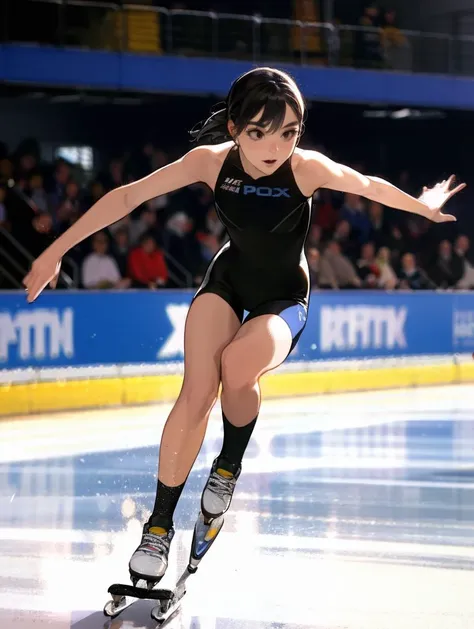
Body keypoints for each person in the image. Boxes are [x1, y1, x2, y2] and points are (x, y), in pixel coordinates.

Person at [22, 67, 466, 584]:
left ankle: (227, 470)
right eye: (258, 131)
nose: (274, 146)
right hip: (227, 283)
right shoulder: (210, 163)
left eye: (288, 132)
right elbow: (127, 197)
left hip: (284, 298)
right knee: (195, 391)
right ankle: (158, 527)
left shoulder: (306, 169)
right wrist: (54, 251)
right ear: (234, 128)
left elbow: (366, 186)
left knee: (238, 365)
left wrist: (419, 204)